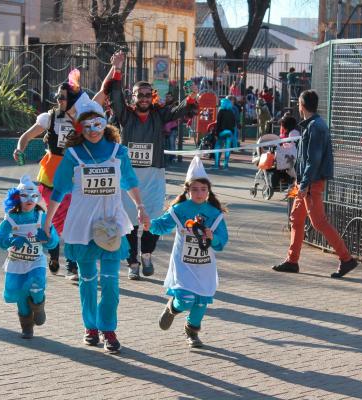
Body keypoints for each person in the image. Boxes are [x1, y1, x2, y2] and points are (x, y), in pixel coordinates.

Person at [44, 97, 150, 354]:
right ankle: (90, 326)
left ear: (105, 125)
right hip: (82, 226)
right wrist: (48, 223)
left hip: (112, 224)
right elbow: (59, 190)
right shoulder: (72, 154)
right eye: (87, 126)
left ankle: (108, 328)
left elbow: (130, 181)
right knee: (88, 280)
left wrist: (140, 207)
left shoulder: (118, 152)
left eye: (98, 124)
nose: (93, 130)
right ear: (80, 128)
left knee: (111, 282)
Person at [108, 51, 198, 280]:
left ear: (153, 96)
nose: (145, 98)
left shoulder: (159, 115)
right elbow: (115, 98)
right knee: (128, 221)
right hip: (128, 177)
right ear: (134, 97)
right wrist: (117, 69)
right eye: (140, 95)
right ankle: (133, 263)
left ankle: (147, 255)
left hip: (154, 175)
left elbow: (179, 111)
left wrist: (191, 98)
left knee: (154, 218)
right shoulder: (125, 116)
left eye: (148, 94)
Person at [271, 90, 358, 278]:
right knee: (296, 218)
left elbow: (313, 160)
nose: (298, 107)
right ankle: (292, 261)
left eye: (298, 104)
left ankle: (346, 259)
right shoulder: (313, 125)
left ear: (302, 105)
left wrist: (304, 186)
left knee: (319, 222)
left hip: (311, 182)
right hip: (306, 181)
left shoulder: (315, 127)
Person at [150, 156, 228, 347]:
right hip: (183, 264)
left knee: (201, 302)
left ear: (208, 191)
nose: (199, 193)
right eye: (194, 189)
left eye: (203, 189)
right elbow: (161, 226)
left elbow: (222, 241)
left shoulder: (215, 213)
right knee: (185, 300)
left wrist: (213, 237)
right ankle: (173, 308)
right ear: (187, 190)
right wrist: (147, 224)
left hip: (204, 265)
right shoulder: (180, 209)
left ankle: (192, 331)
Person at [14, 82, 83, 280]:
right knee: (52, 220)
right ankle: (53, 253)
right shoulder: (50, 117)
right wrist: (20, 148)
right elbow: (26, 136)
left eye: (63, 97)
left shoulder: (83, 117)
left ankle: (72, 265)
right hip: (50, 177)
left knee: (71, 222)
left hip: (73, 175)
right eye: (58, 97)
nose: (59, 100)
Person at [0, 175, 59, 339]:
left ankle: (39, 306)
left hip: (36, 261)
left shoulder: (41, 216)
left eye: (34, 196)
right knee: (19, 293)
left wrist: (47, 239)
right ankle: (26, 326)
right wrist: (11, 240)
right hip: (16, 262)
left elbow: (53, 241)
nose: (30, 200)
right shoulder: (11, 218)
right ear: (17, 197)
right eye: (25, 196)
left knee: (36, 285)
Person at [213, 98, 236, 170]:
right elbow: (234, 123)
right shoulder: (231, 112)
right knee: (227, 149)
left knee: (217, 146)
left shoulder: (221, 111)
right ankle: (226, 165)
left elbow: (218, 123)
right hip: (230, 132)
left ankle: (216, 164)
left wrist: (216, 134)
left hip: (222, 132)